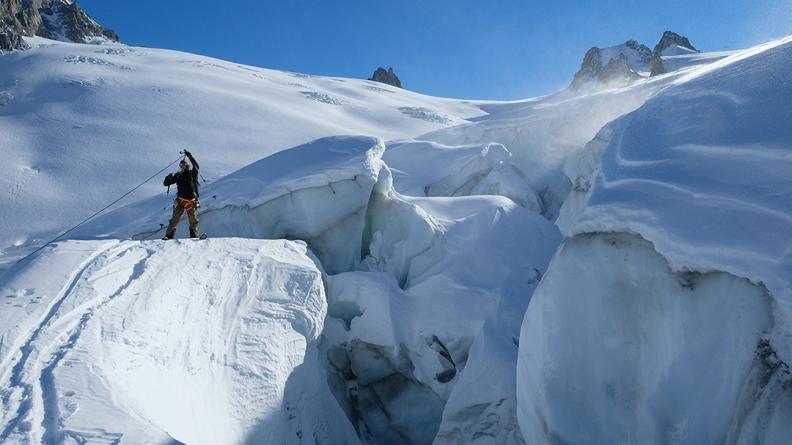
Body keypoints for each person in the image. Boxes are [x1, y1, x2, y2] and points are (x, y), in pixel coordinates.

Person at [162, 150, 201, 239]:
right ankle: (168, 237)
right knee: (174, 220)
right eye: (181, 165)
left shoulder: (192, 173)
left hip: (191, 201)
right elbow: (166, 183)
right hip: (180, 201)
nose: (183, 166)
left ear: (188, 165)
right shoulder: (178, 175)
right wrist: (168, 178)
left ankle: (194, 237)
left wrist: (190, 156)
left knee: (193, 221)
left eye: (185, 165)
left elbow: (196, 166)